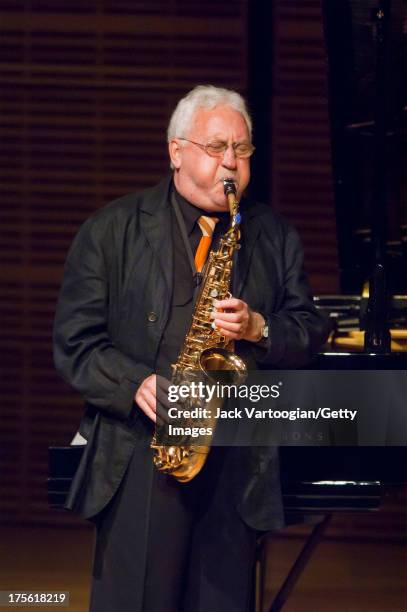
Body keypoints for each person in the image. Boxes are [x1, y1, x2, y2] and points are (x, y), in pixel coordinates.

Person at [53, 85, 329, 612]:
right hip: (139, 455)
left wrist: (259, 328)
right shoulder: (111, 230)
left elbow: (310, 329)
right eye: (216, 147)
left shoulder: (273, 235)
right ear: (176, 152)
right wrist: (136, 382)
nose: (231, 164)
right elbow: (74, 344)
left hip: (236, 460)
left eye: (242, 151)